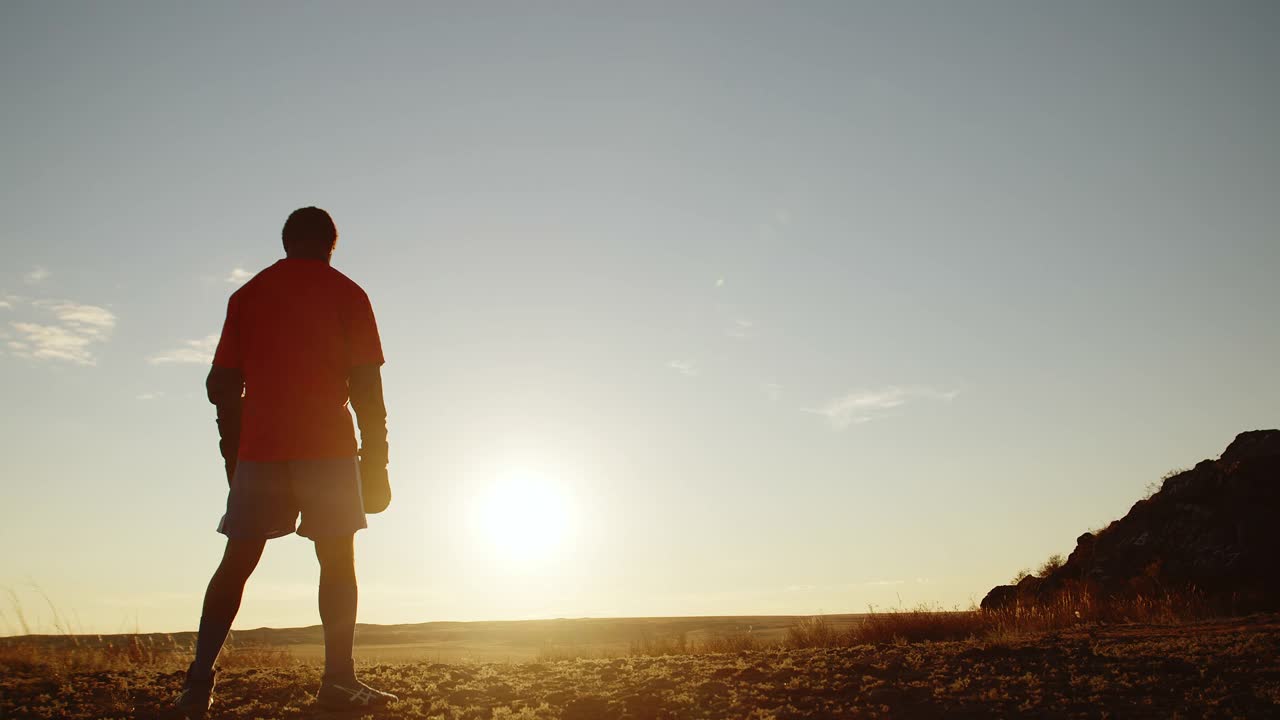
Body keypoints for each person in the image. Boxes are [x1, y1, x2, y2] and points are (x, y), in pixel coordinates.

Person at [175, 207, 397, 717]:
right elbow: (367, 387)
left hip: (262, 448)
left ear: (286, 242)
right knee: (337, 560)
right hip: (328, 448)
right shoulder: (349, 293)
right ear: (331, 245)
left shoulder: (247, 296)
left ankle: (196, 683)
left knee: (237, 561)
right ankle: (338, 681)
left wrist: (234, 456)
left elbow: (221, 385)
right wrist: (378, 461)